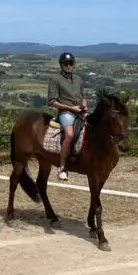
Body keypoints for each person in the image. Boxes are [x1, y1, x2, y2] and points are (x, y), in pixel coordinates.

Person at [46, 51, 88, 181]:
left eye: (71, 63)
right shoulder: (55, 79)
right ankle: (62, 167)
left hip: (79, 111)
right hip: (66, 112)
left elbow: (83, 97)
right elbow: (52, 101)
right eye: (66, 64)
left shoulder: (78, 79)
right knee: (69, 134)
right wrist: (71, 108)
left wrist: (84, 105)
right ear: (61, 65)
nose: (69, 66)